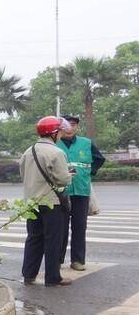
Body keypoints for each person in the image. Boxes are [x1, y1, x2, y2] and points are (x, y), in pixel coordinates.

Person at [19, 116, 74, 286]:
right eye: (59, 131)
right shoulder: (56, 152)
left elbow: (23, 175)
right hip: (51, 202)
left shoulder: (28, 152)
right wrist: (69, 176)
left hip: (31, 202)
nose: (60, 134)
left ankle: (29, 275)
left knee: (34, 238)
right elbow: (63, 180)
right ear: (54, 133)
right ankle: (52, 277)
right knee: (53, 240)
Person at [57, 114, 105, 271]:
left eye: (73, 125)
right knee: (60, 228)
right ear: (61, 127)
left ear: (77, 127)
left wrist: (88, 173)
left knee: (79, 227)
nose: (70, 128)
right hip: (60, 192)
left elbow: (99, 159)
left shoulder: (86, 143)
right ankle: (57, 260)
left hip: (81, 191)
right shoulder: (54, 143)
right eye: (67, 125)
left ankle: (77, 261)